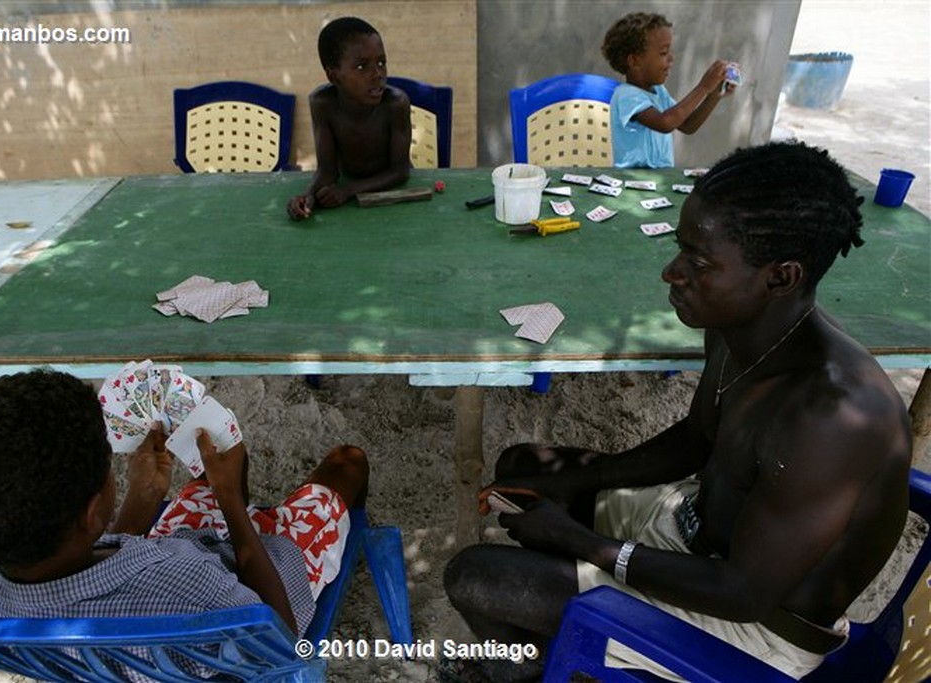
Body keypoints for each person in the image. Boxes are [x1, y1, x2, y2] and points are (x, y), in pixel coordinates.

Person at [442, 142, 912, 682]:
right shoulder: (741, 326)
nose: (672, 272)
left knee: (473, 577)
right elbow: (698, 437)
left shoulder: (831, 417)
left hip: (754, 632)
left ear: (780, 278)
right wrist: (580, 479)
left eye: (699, 261)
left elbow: (743, 594)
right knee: (523, 470)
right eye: (680, 248)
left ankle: (537, 671)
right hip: (696, 532)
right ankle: (567, 648)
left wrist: (583, 544)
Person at [0, 369, 368, 675]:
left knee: (205, 478)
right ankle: (326, 520)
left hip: (138, 643)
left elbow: (86, 572)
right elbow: (279, 641)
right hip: (266, 579)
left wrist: (140, 500)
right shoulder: (186, 589)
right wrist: (232, 503)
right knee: (347, 463)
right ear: (93, 513)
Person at [287, 16, 412, 220]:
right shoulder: (322, 104)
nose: (377, 74)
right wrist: (308, 197)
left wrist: (349, 190)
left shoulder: (395, 104)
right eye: (362, 67)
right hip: (353, 204)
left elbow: (400, 172)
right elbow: (327, 172)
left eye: (381, 62)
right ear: (334, 76)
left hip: (395, 197)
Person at [601, 12, 736, 169]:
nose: (671, 59)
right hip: (632, 185)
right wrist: (703, 87)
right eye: (663, 53)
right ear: (635, 61)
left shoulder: (659, 92)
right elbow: (665, 123)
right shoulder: (626, 95)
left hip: (659, 183)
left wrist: (713, 94)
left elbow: (687, 125)